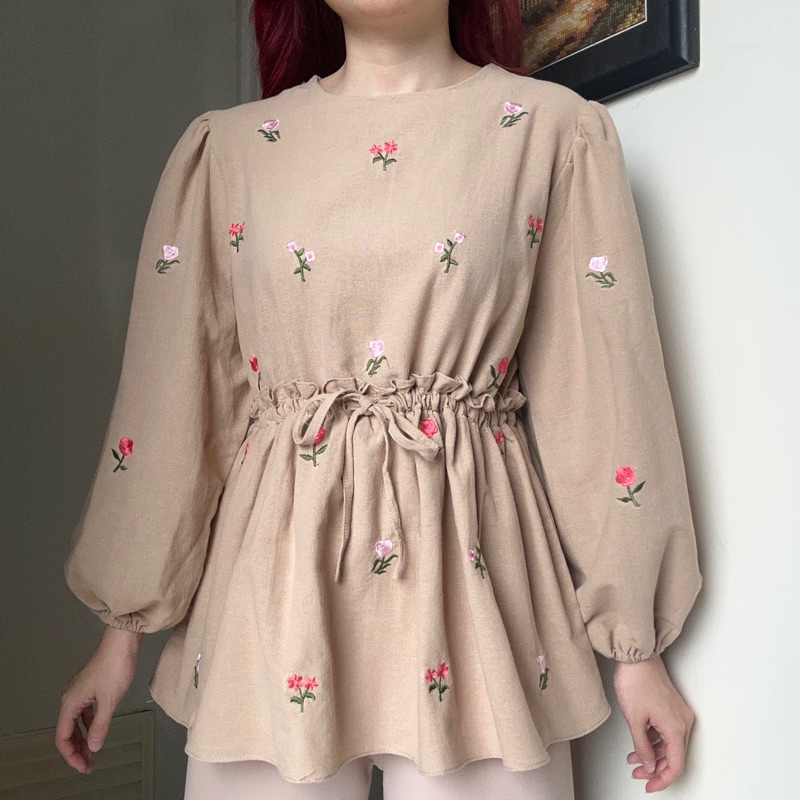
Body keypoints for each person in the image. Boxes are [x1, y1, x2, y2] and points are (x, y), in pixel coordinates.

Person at [56, 0, 703, 797]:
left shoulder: (552, 133)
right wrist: (118, 636)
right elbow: (173, 401)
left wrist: (639, 654)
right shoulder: (229, 150)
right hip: (276, 588)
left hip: (476, 581)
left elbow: (601, 394)